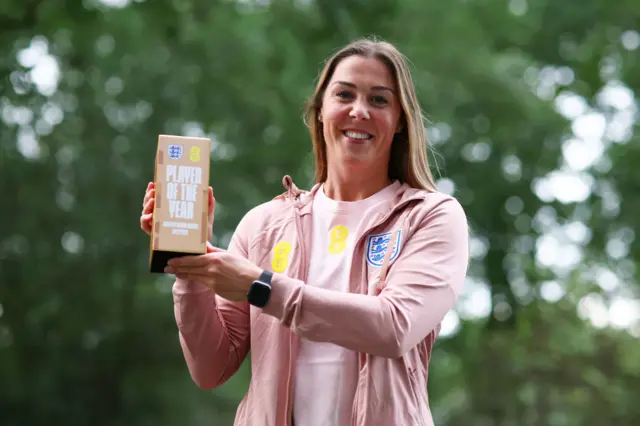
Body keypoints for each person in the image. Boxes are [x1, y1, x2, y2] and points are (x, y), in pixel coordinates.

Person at [140, 38, 469, 426]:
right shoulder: (263, 225)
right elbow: (211, 368)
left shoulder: (430, 216)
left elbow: (393, 326)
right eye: (344, 94)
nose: (359, 111)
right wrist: (190, 266)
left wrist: (261, 286)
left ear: (399, 120)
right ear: (319, 112)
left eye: (379, 100)